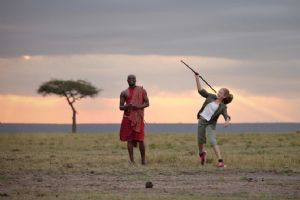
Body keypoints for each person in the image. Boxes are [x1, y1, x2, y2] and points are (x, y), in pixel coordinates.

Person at [194, 73, 233, 168]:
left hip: (211, 124)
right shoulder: (211, 96)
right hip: (202, 120)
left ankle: (220, 161)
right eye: (218, 91)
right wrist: (197, 78)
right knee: (200, 140)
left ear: (224, 96)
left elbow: (226, 116)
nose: (218, 93)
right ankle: (202, 154)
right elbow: (200, 91)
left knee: (212, 141)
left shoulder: (223, 106)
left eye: (220, 93)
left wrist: (227, 122)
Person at [119, 74, 150, 165]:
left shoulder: (142, 91)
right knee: (129, 139)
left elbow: (147, 103)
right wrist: (128, 106)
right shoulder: (124, 93)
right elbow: (120, 107)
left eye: (133, 78)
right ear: (127, 80)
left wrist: (138, 107)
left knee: (140, 139)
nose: (131, 80)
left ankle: (143, 160)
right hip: (128, 118)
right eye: (130, 79)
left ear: (136, 80)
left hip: (138, 118)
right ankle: (132, 161)